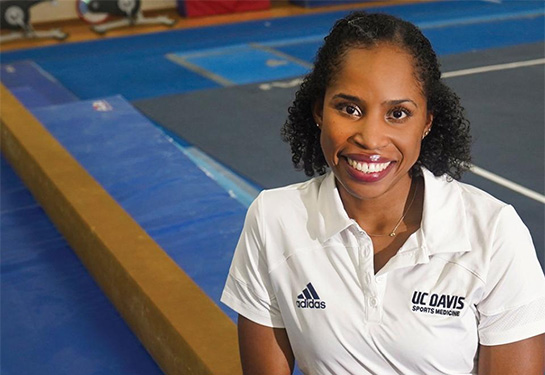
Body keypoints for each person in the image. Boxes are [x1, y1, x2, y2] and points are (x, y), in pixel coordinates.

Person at [221, 11, 545, 375]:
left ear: (427, 122)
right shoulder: (273, 219)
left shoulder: (493, 233)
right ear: (318, 111)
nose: (370, 138)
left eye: (398, 114)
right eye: (349, 108)